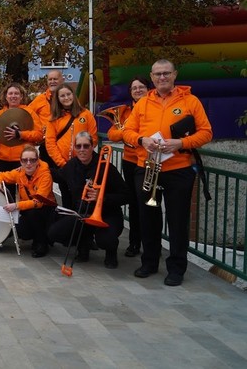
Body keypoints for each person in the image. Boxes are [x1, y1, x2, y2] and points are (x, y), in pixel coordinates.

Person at [123, 59, 212, 286]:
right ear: (151, 77)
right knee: (148, 218)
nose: (162, 78)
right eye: (158, 74)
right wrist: (142, 140)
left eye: (166, 74)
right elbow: (128, 132)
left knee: (178, 220)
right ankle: (150, 262)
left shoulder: (191, 101)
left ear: (174, 75)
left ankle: (176, 268)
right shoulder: (143, 103)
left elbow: (206, 133)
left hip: (178, 169)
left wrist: (180, 143)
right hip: (147, 168)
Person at [48, 132, 129, 268]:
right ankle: (83, 247)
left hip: (107, 214)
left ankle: (111, 253)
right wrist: (37, 166)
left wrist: (102, 197)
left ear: (93, 147)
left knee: (106, 240)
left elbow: (126, 195)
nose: (82, 150)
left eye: (86, 146)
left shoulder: (105, 167)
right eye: (78, 146)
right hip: (83, 213)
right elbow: (57, 175)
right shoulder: (72, 165)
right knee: (54, 233)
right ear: (74, 148)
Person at [106, 76, 151, 258]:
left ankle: (151, 243)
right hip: (131, 162)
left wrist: (127, 134)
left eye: (141, 87)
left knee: (149, 204)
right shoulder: (125, 112)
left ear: (148, 89)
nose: (138, 90)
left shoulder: (153, 108)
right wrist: (128, 134)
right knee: (134, 204)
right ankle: (134, 243)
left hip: (150, 161)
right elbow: (112, 134)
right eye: (134, 88)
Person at [0, 145, 55, 258]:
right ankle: (37, 236)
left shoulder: (45, 175)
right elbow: (1, 175)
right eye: (25, 160)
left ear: (38, 160)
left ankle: (42, 243)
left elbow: (38, 202)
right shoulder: (19, 172)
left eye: (32, 160)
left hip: (45, 209)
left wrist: (16, 205)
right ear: (20, 161)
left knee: (34, 213)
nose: (28, 163)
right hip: (28, 209)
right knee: (22, 232)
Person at [0, 82, 43, 173]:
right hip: (2, 159)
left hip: (24, 159)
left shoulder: (29, 113)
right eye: (10, 93)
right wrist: (3, 135)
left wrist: (20, 134)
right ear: (6, 96)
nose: (13, 96)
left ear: (21, 96)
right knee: (4, 186)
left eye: (16, 93)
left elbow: (39, 135)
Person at [45, 83, 97, 170]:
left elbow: (93, 138)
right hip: (63, 165)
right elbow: (50, 143)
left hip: (84, 163)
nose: (66, 98)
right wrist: (61, 163)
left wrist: (84, 157)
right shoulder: (53, 119)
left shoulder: (86, 114)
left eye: (68, 94)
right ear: (58, 99)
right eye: (62, 96)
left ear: (73, 94)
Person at [28, 70, 65, 165]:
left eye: (55, 79)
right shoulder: (40, 99)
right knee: (46, 174)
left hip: (64, 143)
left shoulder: (68, 98)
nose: (52, 81)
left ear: (62, 80)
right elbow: (26, 116)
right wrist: (38, 129)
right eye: (50, 79)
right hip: (46, 145)